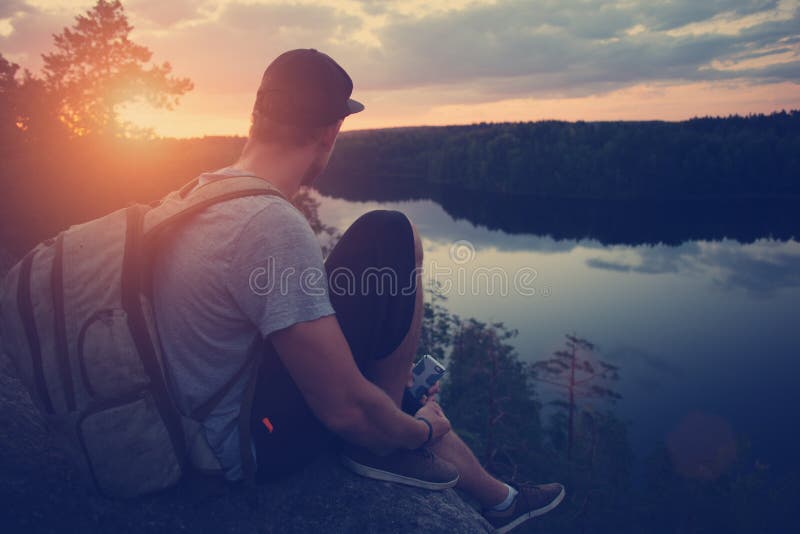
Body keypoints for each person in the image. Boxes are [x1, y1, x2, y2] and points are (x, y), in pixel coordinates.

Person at [152, 48, 564, 533]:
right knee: (389, 232)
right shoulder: (269, 223)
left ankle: (501, 500)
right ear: (331, 132)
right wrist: (419, 431)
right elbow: (347, 411)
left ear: (256, 116)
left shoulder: (203, 191)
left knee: (386, 390)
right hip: (246, 447)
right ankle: (390, 450)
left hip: (203, 407)